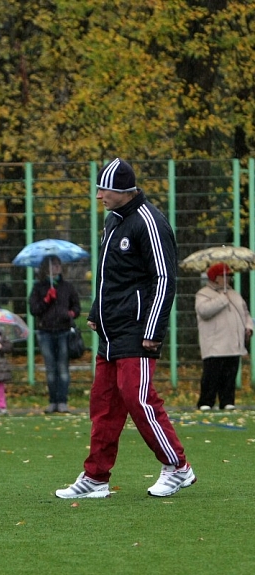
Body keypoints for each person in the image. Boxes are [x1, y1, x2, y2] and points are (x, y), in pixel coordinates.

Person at [55, 157, 196, 499]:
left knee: (138, 398)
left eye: (104, 189)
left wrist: (153, 328)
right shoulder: (113, 222)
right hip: (110, 330)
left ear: (122, 191)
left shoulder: (149, 221)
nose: (99, 195)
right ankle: (96, 478)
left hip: (136, 330)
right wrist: (95, 312)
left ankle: (178, 467)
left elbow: (164, 278)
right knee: (103, 405)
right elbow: (109, 277)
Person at [194, 262, 253, 411]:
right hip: (214, 344)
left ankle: (227, 401)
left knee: (230, 374)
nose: (229, 279)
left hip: (233, 343)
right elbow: (204, 311)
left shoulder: (234, 293)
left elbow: (245, 313)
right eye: (225, 276)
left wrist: (248, 327)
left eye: (230, 276)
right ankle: (206, 402)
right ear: (215, 277)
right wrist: (222, 299)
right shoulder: (203, 294)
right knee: (211, 375)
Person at [29, 255, 81, 413]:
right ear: (46, 268)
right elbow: (34, 310)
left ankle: (62, 401)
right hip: (46, 332)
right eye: (52, 265)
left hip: (64, 332)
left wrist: (71, 313)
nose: (56, 267)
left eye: (58, 264)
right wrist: (46, 300)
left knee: (63, 368)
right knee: (51, 369)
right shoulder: (38, 288)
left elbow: (76, 307)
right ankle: (53, 401)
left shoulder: (67, 287)